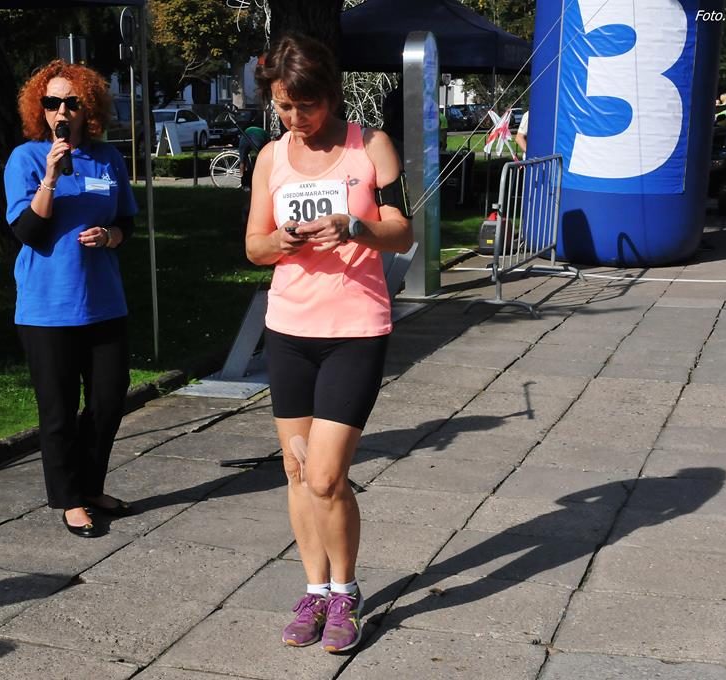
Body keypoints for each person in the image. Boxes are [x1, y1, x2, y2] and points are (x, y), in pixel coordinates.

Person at [245, 33, 413, 653]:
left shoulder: (370, 146)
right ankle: (314, 591)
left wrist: (355, 226)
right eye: (284, 106)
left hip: (354, 332)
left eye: (307, 105)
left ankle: (346, 591)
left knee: (324, 476)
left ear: (332, 96)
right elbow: (254, 246)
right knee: (295, 469)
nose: (296, 118)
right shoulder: (271, 157)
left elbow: (403, 232)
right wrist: (281, 242)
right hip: (289, 330)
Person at [4, 59, 138, 539]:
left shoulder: (108, 159)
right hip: (48, 307)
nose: (61, 111)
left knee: (108, 400)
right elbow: (28, 231)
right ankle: (69, 499)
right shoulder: (26, 158)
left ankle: (90, 486)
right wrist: (51, 176)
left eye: (70, 102)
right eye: (51, 102)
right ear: (40, 108)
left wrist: (111, 236)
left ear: (88, 108)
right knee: (58, 411)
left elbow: (127, 222)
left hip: (103, 302)